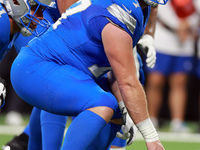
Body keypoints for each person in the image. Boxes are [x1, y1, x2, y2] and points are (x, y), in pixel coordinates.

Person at [10, 0, 168, 150]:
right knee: (103, 103)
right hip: (39, 67)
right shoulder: (120, 10)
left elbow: (120, 77)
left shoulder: (136, 8)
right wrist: (151, 137)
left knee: (121, 106)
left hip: (61, 66)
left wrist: (126, 105)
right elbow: (128, 83)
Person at [144, 0, 199, 132]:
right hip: (163, 38)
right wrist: (177, 25)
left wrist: (188, 23)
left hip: (185, 41)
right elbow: (159, 7)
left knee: (179, 82)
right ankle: (152, 119)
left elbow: (197, 10)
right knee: (155, 81)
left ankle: (177, 122)